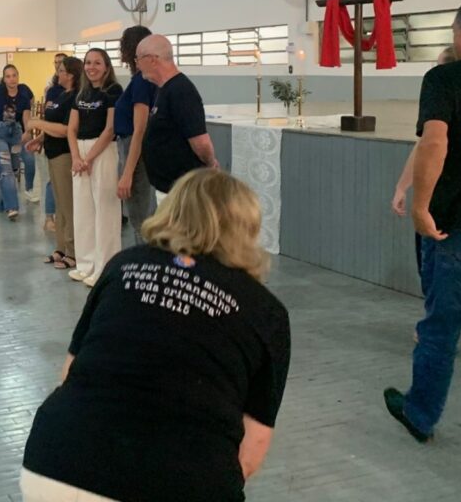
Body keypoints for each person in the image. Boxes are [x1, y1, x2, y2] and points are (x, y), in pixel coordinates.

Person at [21, 169, 291, 502]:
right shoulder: (266, 312)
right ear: (247, 228)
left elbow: (70, 373)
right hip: (179, 480)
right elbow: (252, 449)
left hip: (55, 459)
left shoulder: (123, 265)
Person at [385, 0, 461, 442]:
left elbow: (434, 142)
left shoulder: (446, 79)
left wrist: (421, 205)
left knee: (440, 325)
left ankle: (419, 414)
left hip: (459, 224)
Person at [67, 48, 122, 287]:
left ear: (107, 66)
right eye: (88, 62)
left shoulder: (113, 91)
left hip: (103, 151)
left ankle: (105, 267)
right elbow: (71, 129)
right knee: (83, 211)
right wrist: (76, 157)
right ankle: (85, 264)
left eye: (97, 63)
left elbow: (110, 129)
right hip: (80, 153)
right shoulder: (81, 93)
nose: (91, 67)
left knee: (105, 210)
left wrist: (89, 159)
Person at [136, 35, 218, 194]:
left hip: (182, 189)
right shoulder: (164, 89)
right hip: (169, 187)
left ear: (152, 60)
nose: (137, 65)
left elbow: (201, 142)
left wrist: (210, 164)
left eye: (138, 59)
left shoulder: (181, 90)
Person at [27, 56, 83, 271]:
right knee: (60, 203)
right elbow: (52, 124)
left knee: (68, 204)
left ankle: (74, 251)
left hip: (65, 154)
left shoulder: (75, 98)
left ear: (70, 75)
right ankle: (61, 247)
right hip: (51, 153)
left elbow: (66, 129)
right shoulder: (60, 94)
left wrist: (38, 123)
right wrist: (40, 138)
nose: (57, 73)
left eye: (60, 70)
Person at [116, 25, 158, 245]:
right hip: (132, 147)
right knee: (141, 216)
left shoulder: (142, 81)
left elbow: (139, 129)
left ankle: (146, 261)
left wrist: (127, 173)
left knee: (141, 218)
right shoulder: (141, 79)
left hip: (135, 149)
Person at [0, 64, 35, 221]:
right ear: (4, 79)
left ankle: (3, 203)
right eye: (8, 76)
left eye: (14, 75)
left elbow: (26, 115)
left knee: (14, 169)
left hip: (15, 134)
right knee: (5, 169)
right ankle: (12, 207)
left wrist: (27, 132)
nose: (12, 79)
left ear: (18, 76)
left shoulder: (23, 93)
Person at [39, 53, 67, 231]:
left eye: (61, 63)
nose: (58, 66)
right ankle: (49, 217)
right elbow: (47, 117)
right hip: (53, 142)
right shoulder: (52, 90)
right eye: (56, 63)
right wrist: (40, 137)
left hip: (69, 142)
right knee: (52, 180)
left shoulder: (77, 90)